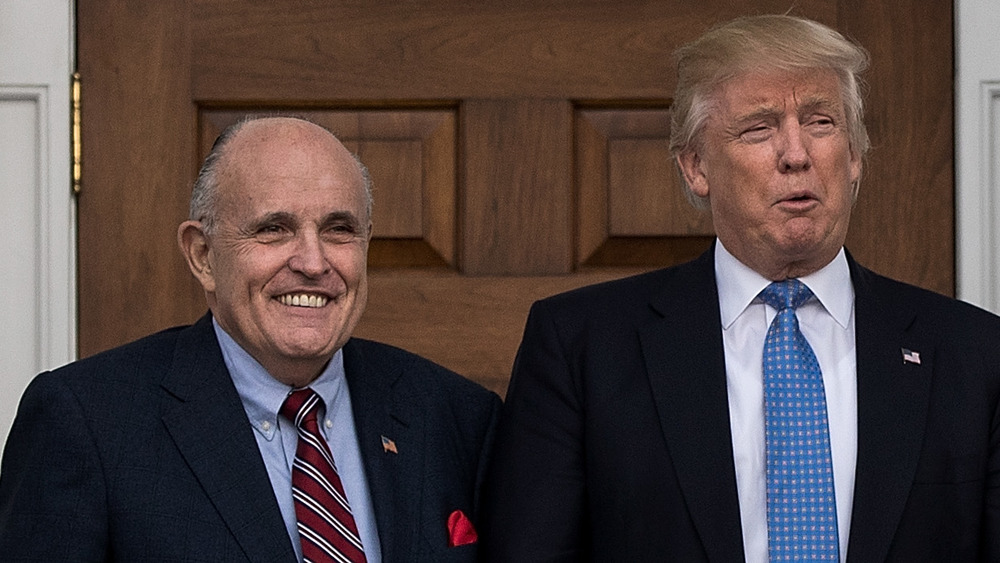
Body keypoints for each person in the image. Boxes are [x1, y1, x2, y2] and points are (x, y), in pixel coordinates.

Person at [481, 14, 999, 562]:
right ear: (696, 166)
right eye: (759, 128)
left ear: (853, 158)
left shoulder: (974, 354)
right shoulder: (583, 347)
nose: (796, 154)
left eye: (821, 123)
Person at [0, 116, 500, 562]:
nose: (312, 262)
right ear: (202, 255)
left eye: (339, 229)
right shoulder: (86, 421)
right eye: (274, 229)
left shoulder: (456, 416)